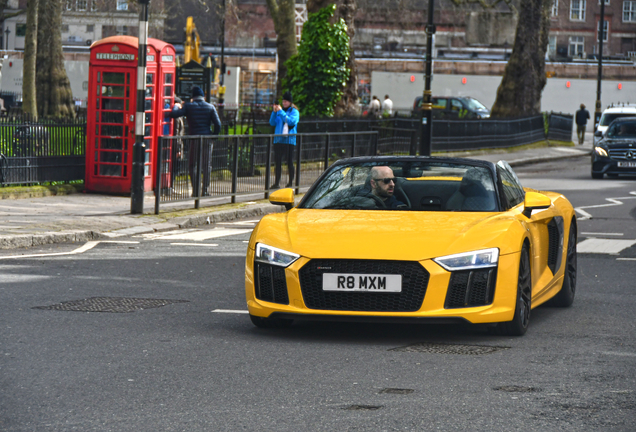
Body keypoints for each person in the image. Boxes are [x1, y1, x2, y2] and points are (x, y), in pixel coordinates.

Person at [169, 86, 221, 197]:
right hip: (207, 139)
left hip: (194, 139)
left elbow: (174, 114)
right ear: (203, 96)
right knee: (207, 165)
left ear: (193, 96)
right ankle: (205, 190)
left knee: (192, 165)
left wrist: (175, 106)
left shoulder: (189, 106)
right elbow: (218, 124)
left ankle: (195, 191)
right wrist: (213, 137)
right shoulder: (210, 107)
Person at [269, 91, 300, 189]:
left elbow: (290, 121)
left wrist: (281, 112)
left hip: (289, 140)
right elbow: (272, 123)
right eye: (283, 101)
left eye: (286, 101)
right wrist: (274, 112)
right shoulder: (279, 112)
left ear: (290, 102)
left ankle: (291, 182)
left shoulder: (294, 112)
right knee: (277, 162)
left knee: (289, 161)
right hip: (278, 140)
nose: (284, 103)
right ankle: (277, 182)